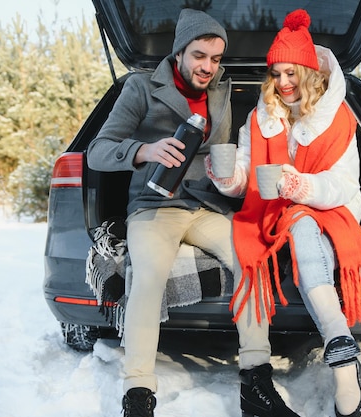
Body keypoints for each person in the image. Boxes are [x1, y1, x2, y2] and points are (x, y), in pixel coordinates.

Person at [206, 9, 361, 417]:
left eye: (291, 73)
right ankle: (342, 347)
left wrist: (305, 187)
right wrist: (227, 178)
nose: (282, 83)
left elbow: (345, 185)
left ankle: (339, 349)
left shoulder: (338, 120)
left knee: (302, 220)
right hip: (276, 211)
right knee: (296, 221)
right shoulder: (260, 117)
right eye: (276, 73)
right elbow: (246, 172)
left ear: (309, 72)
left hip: (331, 209)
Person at [86, 9, 235, 417]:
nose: (208, 66)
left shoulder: (222, 92)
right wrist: (144, 150)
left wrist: (232, 178)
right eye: (200, 55)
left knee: (251, 261)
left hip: (206, 206)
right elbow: (97, 152)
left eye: (216, 58)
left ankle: (256, 374)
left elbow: (222, 154)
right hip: (154, 206)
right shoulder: (140, 87)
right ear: (180, 52)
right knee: (148, 275)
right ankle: (137, 389)